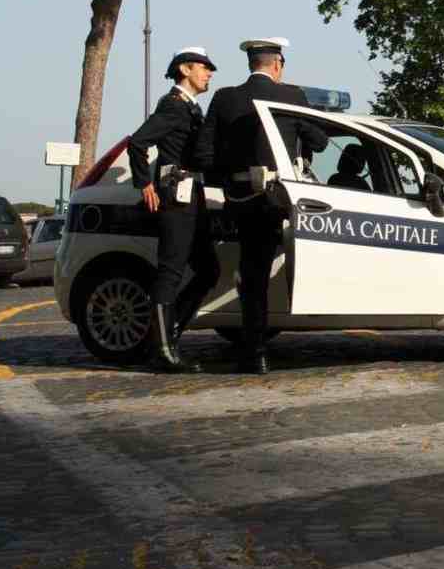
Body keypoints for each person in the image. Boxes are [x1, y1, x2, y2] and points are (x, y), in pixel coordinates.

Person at [195, 38, 328, 373]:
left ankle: (254, 350)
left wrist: (230, 179)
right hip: (278, 200)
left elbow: (203, 155)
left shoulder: (225, 98)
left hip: (238, 200)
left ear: (251, 63)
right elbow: (321, 142)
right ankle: (264, 343)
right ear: (278, 65)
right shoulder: (292, 97)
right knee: (272, 268)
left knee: (250, 272)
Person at [127, 47, 222, 373]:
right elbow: (137, 143)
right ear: (185, 69)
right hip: (175, 198)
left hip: (192, 195)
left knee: (208, 269)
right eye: (204, 68)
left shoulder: (191, 109)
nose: (209, 73)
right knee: (170, 272)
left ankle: (169, 334)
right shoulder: (172, 106)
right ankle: (163, 350)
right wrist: (145, 183)